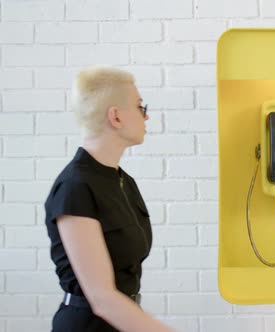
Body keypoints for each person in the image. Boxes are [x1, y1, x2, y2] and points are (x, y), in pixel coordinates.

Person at [44, 66, 174, 331]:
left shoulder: (122, 181)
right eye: (140, 107)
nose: (146, 117)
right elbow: (102, 298)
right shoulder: (75, 187)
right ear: (115, 117)